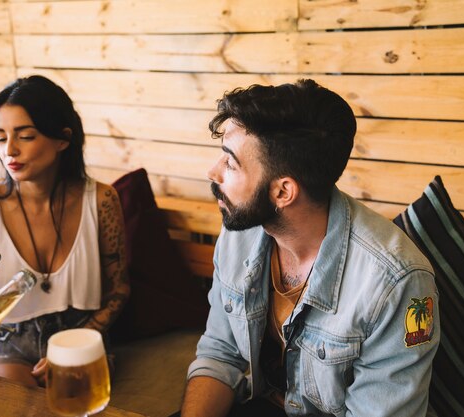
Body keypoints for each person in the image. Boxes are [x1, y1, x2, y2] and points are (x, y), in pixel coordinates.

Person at [180, 79, 440, 417]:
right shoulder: (241, 230)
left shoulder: (396, 283)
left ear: (283, 193)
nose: (213, 172)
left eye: (230, 163)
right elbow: (220, 353)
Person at [0, 75, 130, 387]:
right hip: (7, 342)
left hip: (80, 334)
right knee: (13, 400)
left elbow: (119, 291)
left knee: (71, 392)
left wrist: (83, 338)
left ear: (63, 138)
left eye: (26, 136)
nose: (10, 151)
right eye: (1, 138)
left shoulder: (101, 200)